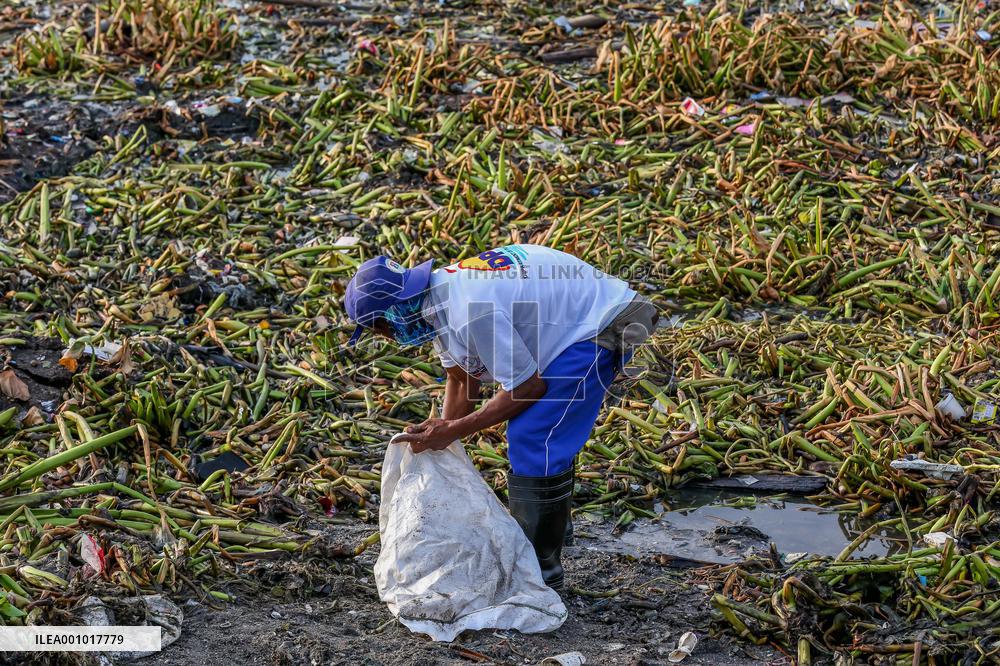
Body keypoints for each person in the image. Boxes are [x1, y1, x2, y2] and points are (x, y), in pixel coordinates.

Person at [344, 244, 656, 589]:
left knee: (534, 435)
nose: (388, 338)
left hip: (607, 323)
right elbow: (462, 380)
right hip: (580, 321)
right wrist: (442, 441)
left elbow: (527, 388)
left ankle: (539, 571)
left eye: (382, 329)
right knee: (544, 432)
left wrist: (455, 429)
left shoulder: (469, 309)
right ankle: (553, 532)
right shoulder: (438, 300)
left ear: (394, 312)